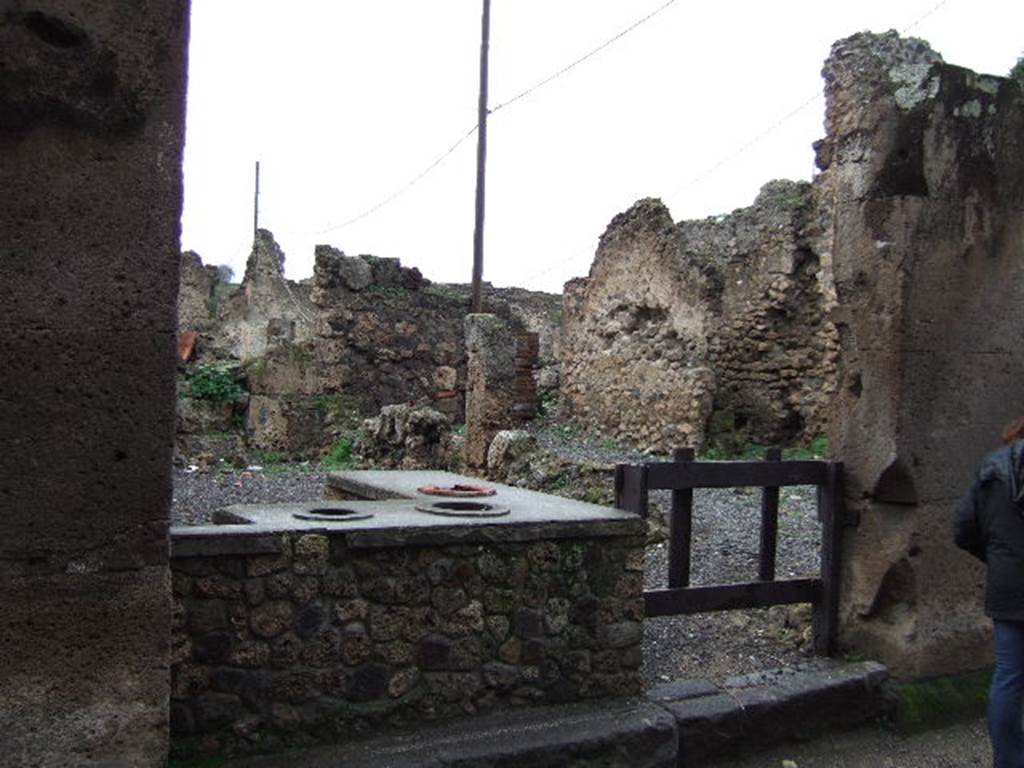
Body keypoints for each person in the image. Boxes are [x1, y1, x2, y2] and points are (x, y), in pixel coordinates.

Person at [955, 417, 1024, 768]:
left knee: (1009, 676)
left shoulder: (992, 467)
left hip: (1009, 586)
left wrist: (997, 558)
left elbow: (963, 527)